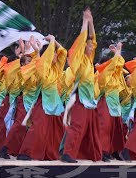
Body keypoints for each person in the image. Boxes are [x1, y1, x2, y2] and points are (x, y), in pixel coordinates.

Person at [60, 8, 102, 163]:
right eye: (89, 46)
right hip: (80, 99)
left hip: (90, 100)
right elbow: (81, 41)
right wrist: (84, 22)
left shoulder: (90, 62)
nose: (91, 47)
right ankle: (67, 154)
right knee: (77, 126)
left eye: (92, 46)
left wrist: (91, 22)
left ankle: (86, 154)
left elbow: (93, 38)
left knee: (90, 129)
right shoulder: (79, 61)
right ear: (84, 47)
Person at [17, 34, 66, 161]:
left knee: (56, 130)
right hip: (42, 101)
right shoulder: (42, 66)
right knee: (38, 128)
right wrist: (52, 42)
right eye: (53, 53)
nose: (56, 55)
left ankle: (49, 153)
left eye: (55, 53)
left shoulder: (57, 68)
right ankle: (25, 153)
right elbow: (47, 57)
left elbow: (63, 52)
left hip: (55, 103)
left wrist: (54, 41)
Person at [95, 42, 126, 162]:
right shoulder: (101, 74)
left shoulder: (115, 75)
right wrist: (117, 50)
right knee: (104, 128)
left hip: (114, 104)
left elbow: (119, 64)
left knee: (115, 129)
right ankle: (101, 151)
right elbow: (114, 64)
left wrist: (117, 52)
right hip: (104, 103)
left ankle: (111, 151)